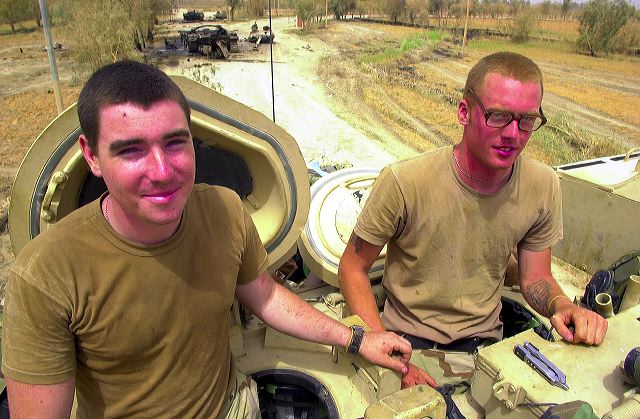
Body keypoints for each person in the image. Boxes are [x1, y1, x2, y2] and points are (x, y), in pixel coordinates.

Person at [1, 61, 412, 418]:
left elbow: (265, 296)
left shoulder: (225, 209)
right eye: (131, 151)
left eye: (175, 142)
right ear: (91, 156)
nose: (162, 171)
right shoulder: (45, 276)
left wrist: (357, 338)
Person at [338, 52, 608, 391]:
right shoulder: (404, 182)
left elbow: (536, 276)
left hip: (488, 350)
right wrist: (388, 354)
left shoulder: (542, 186)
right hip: (409, 345)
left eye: (527, 120)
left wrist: (562, 305)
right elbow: (352, 268)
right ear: (464, 112)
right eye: (498, 116)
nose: (513, 134)